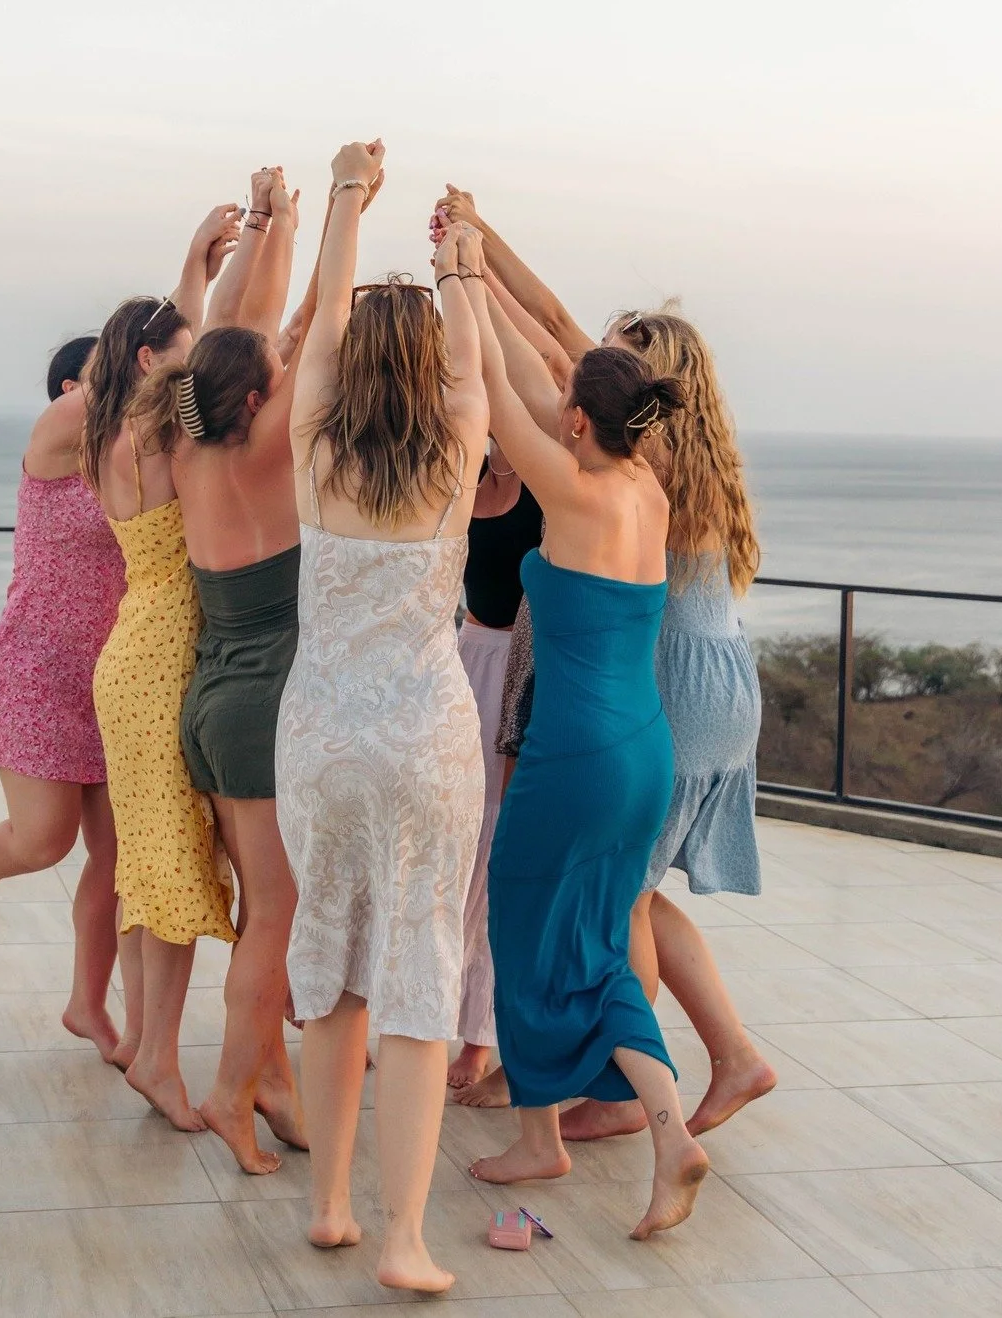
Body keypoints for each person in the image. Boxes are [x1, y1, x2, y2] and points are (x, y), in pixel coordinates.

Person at [436, 187, 775, 1136]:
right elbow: (551, 329)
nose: (588, 353)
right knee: (630, 893)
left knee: (615, 902)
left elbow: (547, 338)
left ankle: (623, 1095)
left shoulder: (636, 465)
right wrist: (479, 241)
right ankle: (724, 1057)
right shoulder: (696, 459)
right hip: (723, 680)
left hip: (662, 689)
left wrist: (468, 262)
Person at [456, 226, 711, 1240]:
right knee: (600, 946)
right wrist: (477, 269)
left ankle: (539, 1139)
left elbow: (497, 382)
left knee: (521, 933)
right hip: (644, 749)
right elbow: (539, 373)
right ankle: (668, 1131)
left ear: (575, 420)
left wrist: (458, 277)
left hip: (574, 754)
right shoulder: (646, 486)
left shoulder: (568, 488)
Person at [275, 141, 488, 1295]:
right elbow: (470, 363)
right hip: (424, 738)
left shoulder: (314, 446)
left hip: (319, 734)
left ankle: (327, 1206)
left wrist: (350, 191)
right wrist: (458, 260)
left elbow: (320, 324)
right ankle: (403, 1235)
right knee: (417, 964)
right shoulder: (457, 447)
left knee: (332, 951)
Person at [135, 166, 311, 1176]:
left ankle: (273, 1082)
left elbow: (239, 326)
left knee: (260, 910)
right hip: (259, 707)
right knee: (276, 915)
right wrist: (319, 217)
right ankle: (232, 1093)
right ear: (257, 397)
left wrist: (265, 224)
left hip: (210, 702)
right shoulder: (265, 452)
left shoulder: (189, 441)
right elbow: (304, 329)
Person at [83, 202, 246, 1134]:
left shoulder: (109, 432)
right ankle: (157, 1058)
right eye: (178, 360)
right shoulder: (155, 437)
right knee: (175, 869)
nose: (194, 373)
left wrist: (194, 263)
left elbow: (187, 336)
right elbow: (211, 346)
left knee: (149, 868)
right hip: (163, 661)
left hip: (135, 650)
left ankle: (148, 1046)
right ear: (151, 362)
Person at [0, 334, 130, 1066]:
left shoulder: (131, 463)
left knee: (116, 858)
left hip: (116, 679)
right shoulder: (53, 447)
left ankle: (87, 1003)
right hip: (37, 670)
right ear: (69, 393)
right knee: (45, 839)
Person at [445, 435, 543, 1094]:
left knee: (492, 849)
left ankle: (479, 1037)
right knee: (453, 848)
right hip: (462, 655)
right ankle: (421, 1009)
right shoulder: (465, 469)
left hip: (521, 669)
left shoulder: (543, 483)